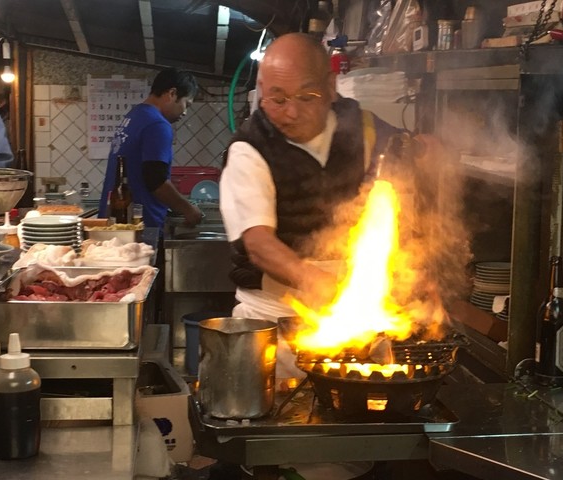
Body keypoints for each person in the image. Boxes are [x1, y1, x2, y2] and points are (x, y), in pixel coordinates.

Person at [220, 33, 400, 380]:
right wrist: (316, 282)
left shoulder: (363, 127)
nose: (291, 111)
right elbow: (258, 244)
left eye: (307, 96)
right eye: (277, 98)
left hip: (358, 320)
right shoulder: (249, 149)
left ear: (331, 86)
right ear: (261, 90)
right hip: (272, 323)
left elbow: (405, 170)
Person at [98, 67, 202, 230]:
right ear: (172, 94)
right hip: (139, 226)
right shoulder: (157, 124)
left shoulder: (134, 115)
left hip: (117, 221)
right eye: (186, 104)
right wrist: (188, 209)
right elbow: (156, 181)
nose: (185, 112)